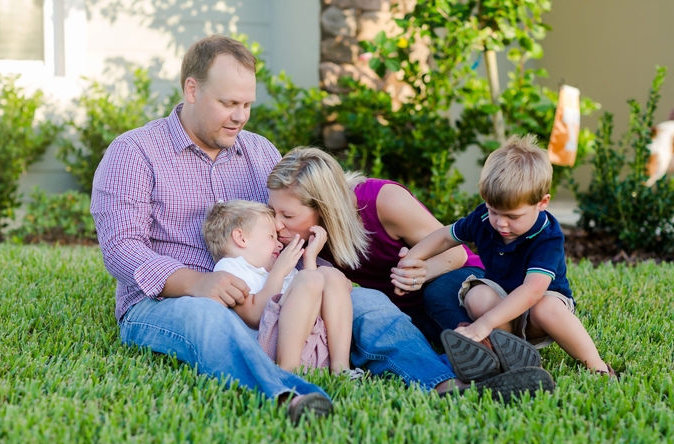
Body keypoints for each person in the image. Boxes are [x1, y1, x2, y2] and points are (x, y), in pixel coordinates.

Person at [91, 34, 551, 421]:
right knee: (206, 317)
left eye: (247, 104)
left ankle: (444, 383)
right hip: (171, 301)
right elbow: (120, 246)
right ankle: (285, 394)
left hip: (269, 290)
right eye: (228, 103)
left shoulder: (257, 152)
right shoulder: (135, 153)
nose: (240, 116)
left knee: (367, 301)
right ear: (191, 90)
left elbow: (292, 218)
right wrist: (197, 282)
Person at [402, 135, 616, 378]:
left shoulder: (547, 236)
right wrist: (413, 258)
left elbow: (533, 291)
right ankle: (508, 351)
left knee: (545, 308)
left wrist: (484, 324)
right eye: (494, 211)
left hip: (539, 307)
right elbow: (445, 237)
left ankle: (597, 366)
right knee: (477, 296)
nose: (501, 223)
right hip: (503, 306)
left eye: (513, 217)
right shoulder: (484, 219)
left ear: (542, 202)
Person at [266, 147, 484, 346]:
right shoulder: (304, 238)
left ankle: (485, 350)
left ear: (324, 208)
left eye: (288, 215)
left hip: (462, 281)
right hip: (407, 306)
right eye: (272, 211)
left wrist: (421, 273)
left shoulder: (384, 201)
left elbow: (456, 253)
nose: (276, 224)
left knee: (436, 294)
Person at [201, 199, 355, 374]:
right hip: (271, 348)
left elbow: (313, 296)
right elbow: (254, 315)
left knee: (330, 275)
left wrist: (310, 258)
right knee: (309, 279)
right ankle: (287, 372)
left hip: (311, 345)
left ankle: (341, 368)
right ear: (241, 238)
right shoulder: (230, 267)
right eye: (271, 236)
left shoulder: (278, 271)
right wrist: (279, 272)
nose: (280, 244)